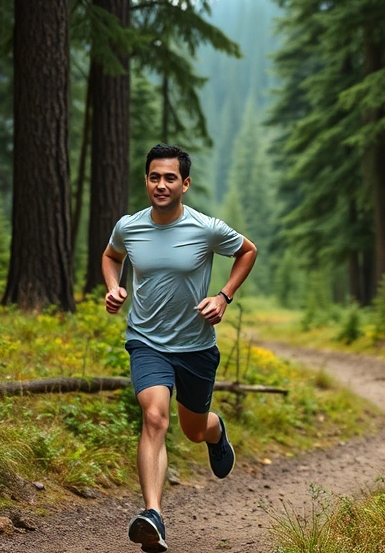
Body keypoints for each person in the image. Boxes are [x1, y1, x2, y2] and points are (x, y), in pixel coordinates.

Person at [102, 144, 258, 553]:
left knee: (192, 428)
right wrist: (113, 287)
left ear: (184, 184)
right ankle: (153, 515)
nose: (161, 184)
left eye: (170, 177)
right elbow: (110, 255)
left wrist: (223, 296)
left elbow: (247, 250)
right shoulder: (130, 226)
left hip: (195, 347)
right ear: (146, 180)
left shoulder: (205, 228)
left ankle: (214, 429)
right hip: (147, 341)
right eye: (155, 176)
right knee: (154, 417)